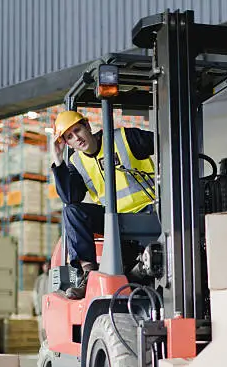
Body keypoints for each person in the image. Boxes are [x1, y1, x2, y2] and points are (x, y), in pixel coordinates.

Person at [51, 110, 155, 299]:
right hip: (113, 221)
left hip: (148, 212)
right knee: (72, 211)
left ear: (88, 126)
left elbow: (165, 143)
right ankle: (89, 273)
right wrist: (58, 160)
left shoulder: (125, 138)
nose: (77, 138)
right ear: (67, 143)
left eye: (78, 130)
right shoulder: (76, 162)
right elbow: (70, 197)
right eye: (70, 137)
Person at [32, 260, 51, 344]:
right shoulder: (39, 279)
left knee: (49, 329)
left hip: (50, 310)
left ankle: (49, 347)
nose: (46, 267)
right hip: (41, 310)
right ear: (43, 267)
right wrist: (37, 308)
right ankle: (42, 347)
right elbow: (35, 294)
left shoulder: (53, 278)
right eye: (45, 265)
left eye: (48, 265)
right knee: (41, 330)